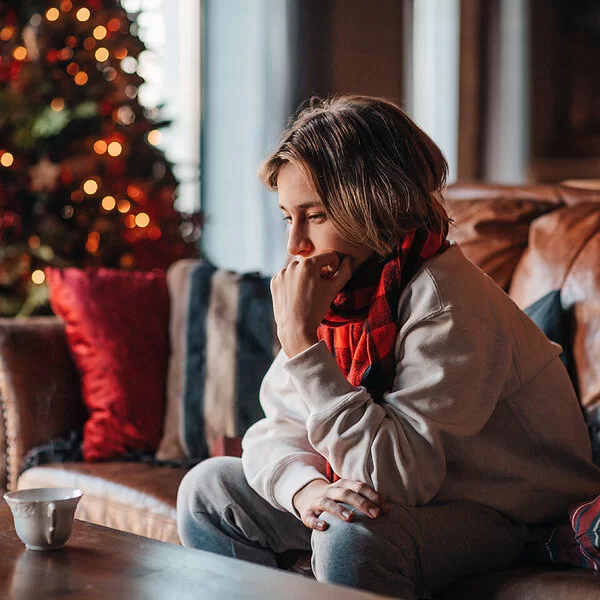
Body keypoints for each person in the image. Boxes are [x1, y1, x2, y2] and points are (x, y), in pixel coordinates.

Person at [177, 95, 600, 599]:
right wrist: (308, 490)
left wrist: (300, 343)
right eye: (288, 216)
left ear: (371, 204)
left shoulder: (447, 305)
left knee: (350, 538)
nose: (295, 245)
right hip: (404, 494)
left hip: (506, 513)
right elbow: (277, 428)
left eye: (313, 216)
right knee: (208, 490)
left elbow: (399, 478)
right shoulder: (344, 296)